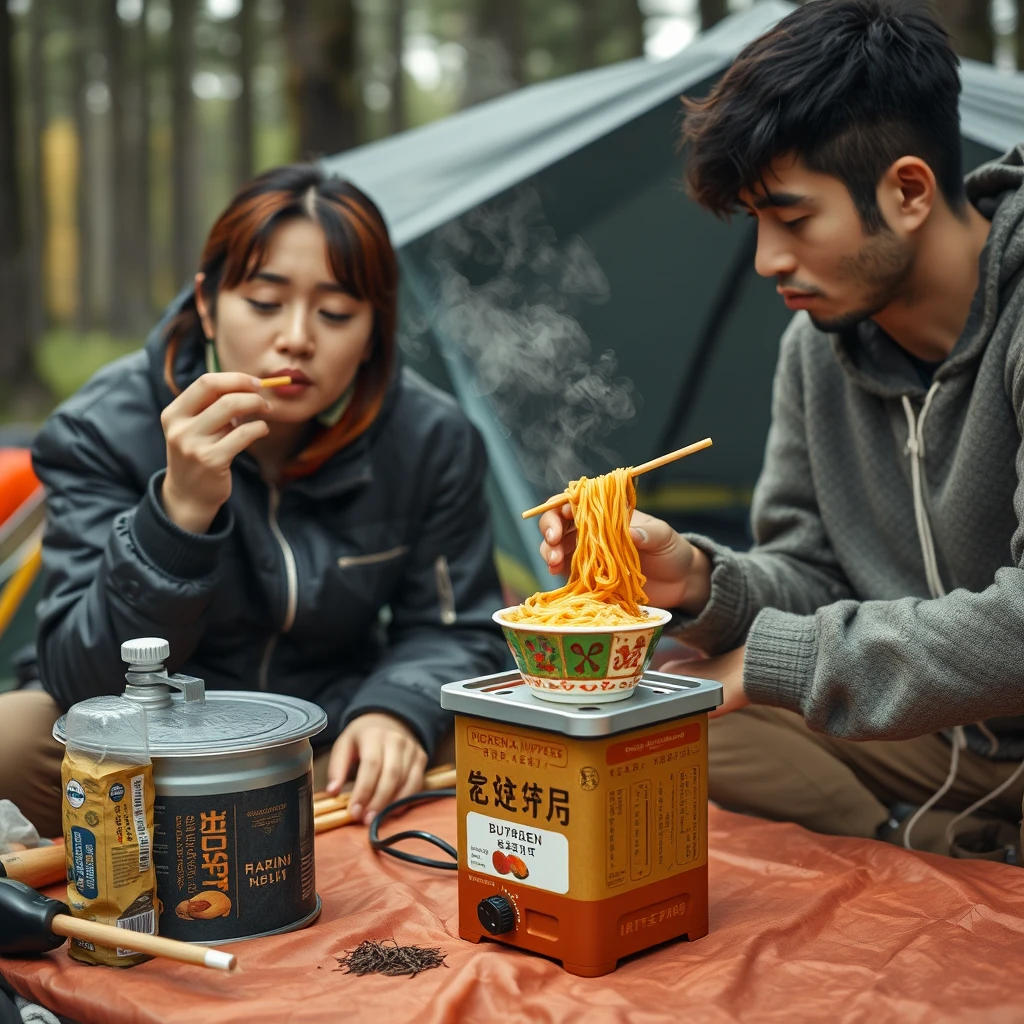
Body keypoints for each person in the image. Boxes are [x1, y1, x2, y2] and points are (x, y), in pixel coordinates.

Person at [539, 0, 1024, 862]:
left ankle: (944, 838)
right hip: (926, 739)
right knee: (661, 724)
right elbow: (811, 572)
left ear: (908, 190)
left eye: (794, 221)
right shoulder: (816, 346)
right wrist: (692, 578)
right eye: (757, 224)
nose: (767, 261)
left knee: (744, 688)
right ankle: (926, 835)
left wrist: (782, 663)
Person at [0, 164, 507, 838]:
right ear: (207, 302)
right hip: (150, 748)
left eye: (335, 312)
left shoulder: (431, 438)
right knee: (9, 739)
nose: (298, 336)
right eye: (266, 303)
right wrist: (177, 511)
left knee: (514, 742)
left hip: (333, 737)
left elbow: (454, 628)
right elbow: (79, 675)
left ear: (374, 328)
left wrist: (395, 709)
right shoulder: (102, 428)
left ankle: (281, 818)